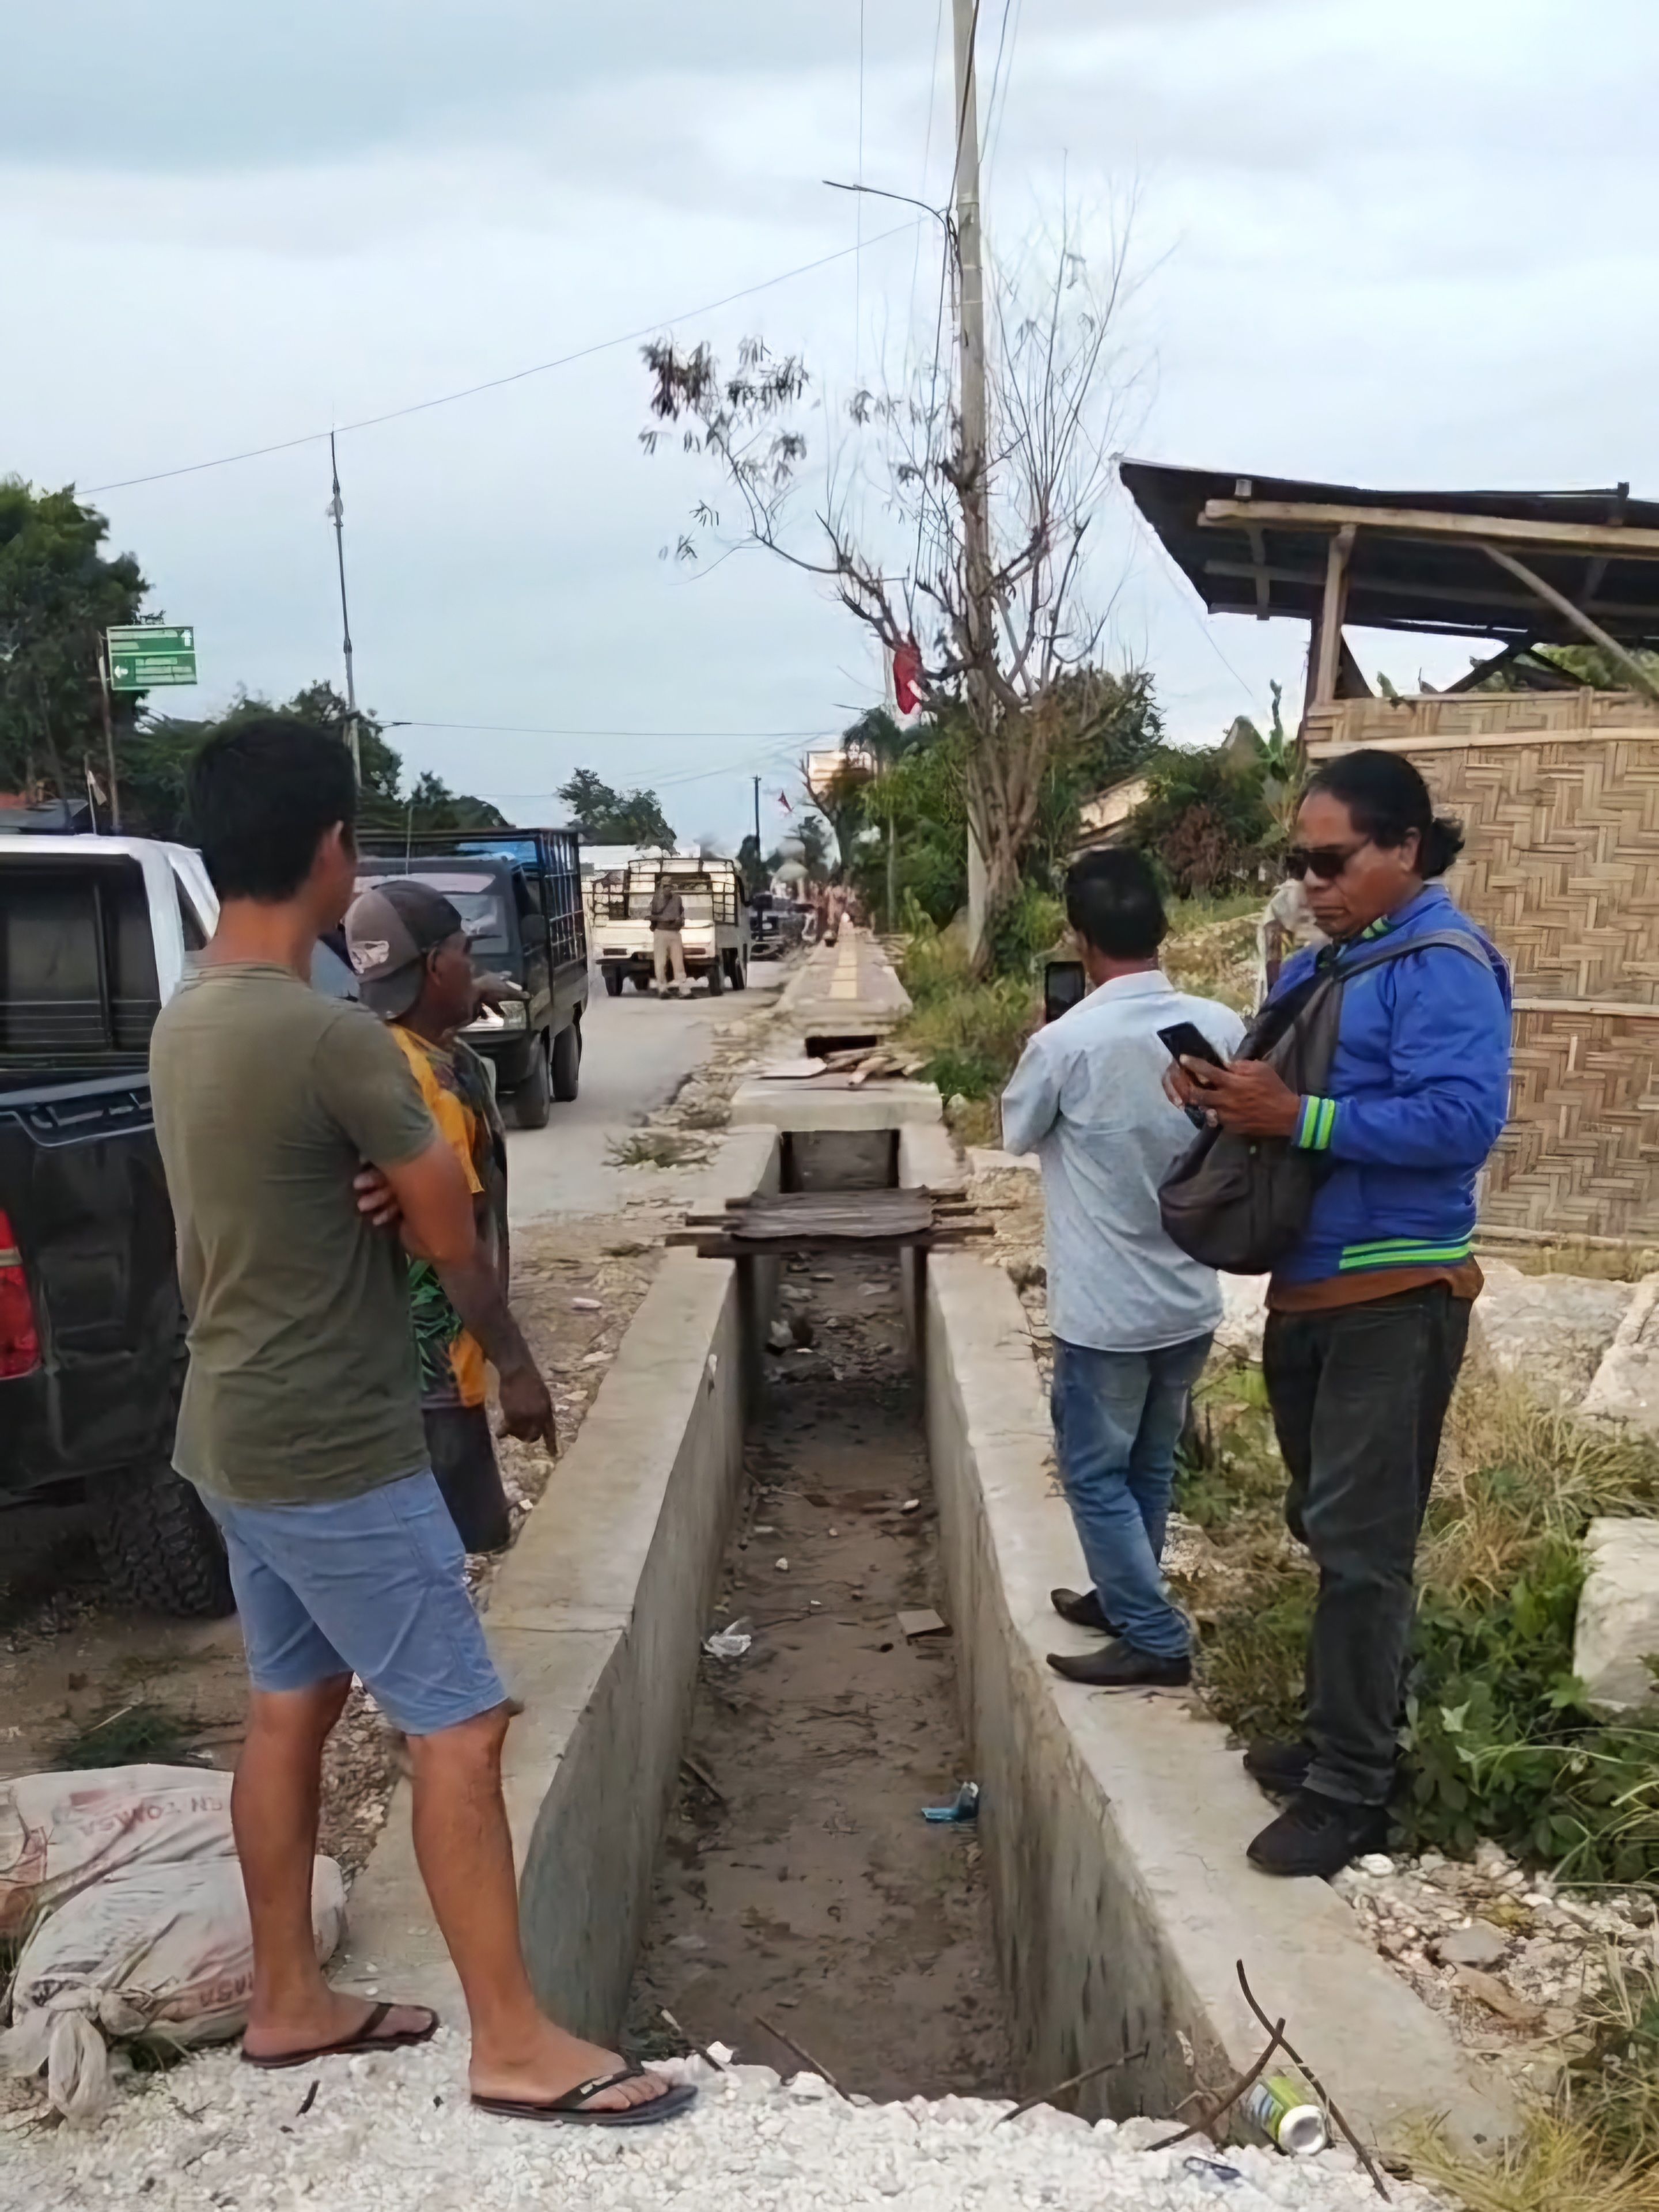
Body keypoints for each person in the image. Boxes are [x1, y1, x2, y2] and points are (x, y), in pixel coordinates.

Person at [149, 716, 691, 2126]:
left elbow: (291, 1196)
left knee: (293, 1704)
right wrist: (470, 1301)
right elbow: (453, 1236)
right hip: (333, 1443)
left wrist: (375, 1191)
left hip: (230, 1428)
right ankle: (512, 2039)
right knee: (461, 1724)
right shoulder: (331, 1039)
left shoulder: (188, 1014)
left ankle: (288, 1997)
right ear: (332, 849)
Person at [1171, 749, 1511, 1880]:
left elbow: (1462, 1123)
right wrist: (1225, 1100)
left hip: (1394, 1291)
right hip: (1313, 1283)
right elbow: (1293, 1105)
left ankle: (1353, 1789)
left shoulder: (1440, 965)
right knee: (1327, 1526)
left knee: (1364, 1548)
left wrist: (1300, 1119)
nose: (1311, 884)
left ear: (1405, 845)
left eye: (1333, 861)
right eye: (1299, 863)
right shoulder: (1335, 963)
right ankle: (1341, 1733)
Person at [1001, 849, 1246, 1690]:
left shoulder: (1064, 1042)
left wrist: (1043, 1036)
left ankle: (1153, 1633)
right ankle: (1124, 1593)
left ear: (1080, 937)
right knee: (1148, 1462)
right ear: (1162, 926)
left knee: (1094, 1471)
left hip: (1106, 1310)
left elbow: (1016, 1132)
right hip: (1188, 1296)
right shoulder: (1220, 1025)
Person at [345, 878, 515, 1556]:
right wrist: (519, 1370)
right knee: (452, 1555)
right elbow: (457, 1246)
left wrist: (468, 1001)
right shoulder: (433, 1089)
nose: (474, 965)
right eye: (466, 953)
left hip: (398, 1370)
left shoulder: (383, 1050)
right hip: (440, 1375)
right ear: (437, 965)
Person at [649, 875, 690, 998]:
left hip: (673, 933)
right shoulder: (658, 899)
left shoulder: (677, 898)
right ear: (661, 886)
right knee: (661, 963)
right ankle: (663, 989)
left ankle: (683, 989)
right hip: (662, 932)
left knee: (678, 963)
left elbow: (681, 914)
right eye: (665, 886)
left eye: (669, 886)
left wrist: (679, 922)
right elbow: (654, 914)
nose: (667, 888)